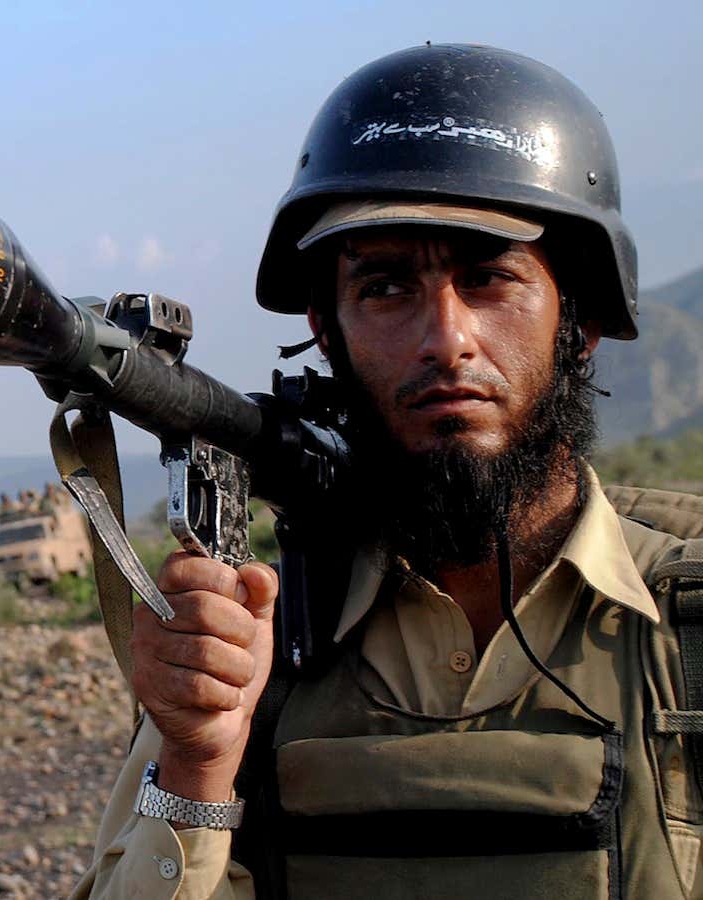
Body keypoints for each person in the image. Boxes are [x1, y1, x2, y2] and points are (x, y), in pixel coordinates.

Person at [73, 45, 699, 899]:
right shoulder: (262, 644)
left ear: (580, 321)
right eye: (386, 288)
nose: (446, 340)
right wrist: (197, 764)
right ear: (325, 330)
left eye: (489, 278)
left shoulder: (686, 629)